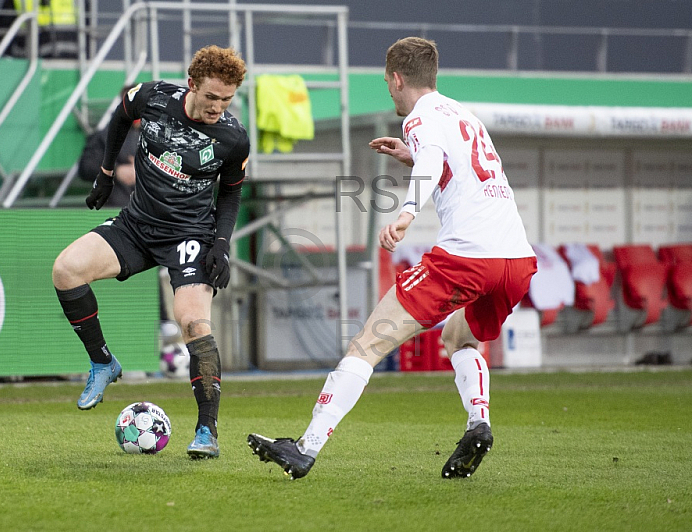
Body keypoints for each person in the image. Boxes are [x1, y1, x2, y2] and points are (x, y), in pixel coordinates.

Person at [247, 37, 537, 479]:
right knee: (458, 338)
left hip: (467, 256)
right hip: (515, 259)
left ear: (398, 78)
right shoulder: (461, 113)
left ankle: (305, 447)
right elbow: (451, 165)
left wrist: (404, 215)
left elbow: (429, 167)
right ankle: (479, 422)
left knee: (368, 343)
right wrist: (411, 155)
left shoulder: (420, 118)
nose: (389, 90)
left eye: (388, 82)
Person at [52, 45, 250, 460]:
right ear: (192, 84)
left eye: (227, 99)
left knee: (194, 323)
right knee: (66, 270)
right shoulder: (153, 97)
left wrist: (221, 245)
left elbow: (231, 194)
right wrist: (106, 175)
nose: (218, 107)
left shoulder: (233, 137)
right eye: (211, 96)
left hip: (190, 235)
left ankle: (206, 430)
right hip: (137, 224)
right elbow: (119, 119)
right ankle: (103, 363)